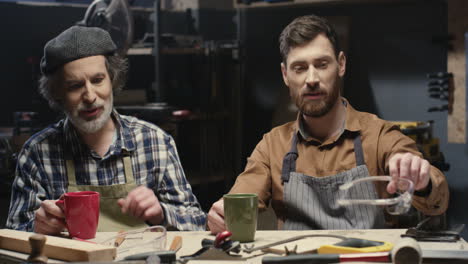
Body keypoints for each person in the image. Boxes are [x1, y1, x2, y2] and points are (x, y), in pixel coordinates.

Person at [207, 15, 449, 231]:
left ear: (341, 64)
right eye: (300, 68)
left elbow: (436, 200)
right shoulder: (272, 146)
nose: (311, 79)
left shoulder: (379, 135)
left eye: (321, 65)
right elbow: (239, 202)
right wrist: (223, 214)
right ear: (285, 74)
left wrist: (421, 179)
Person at [6, 26, 206, 234]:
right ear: (57, 93)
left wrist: (162, 213)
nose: (90, 96)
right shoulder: (37, 153)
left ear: (112, 79)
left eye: (97, 80)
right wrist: (35, 228)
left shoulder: (155, 142)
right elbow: (12, 237)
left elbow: (198, 224)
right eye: (75, 86)